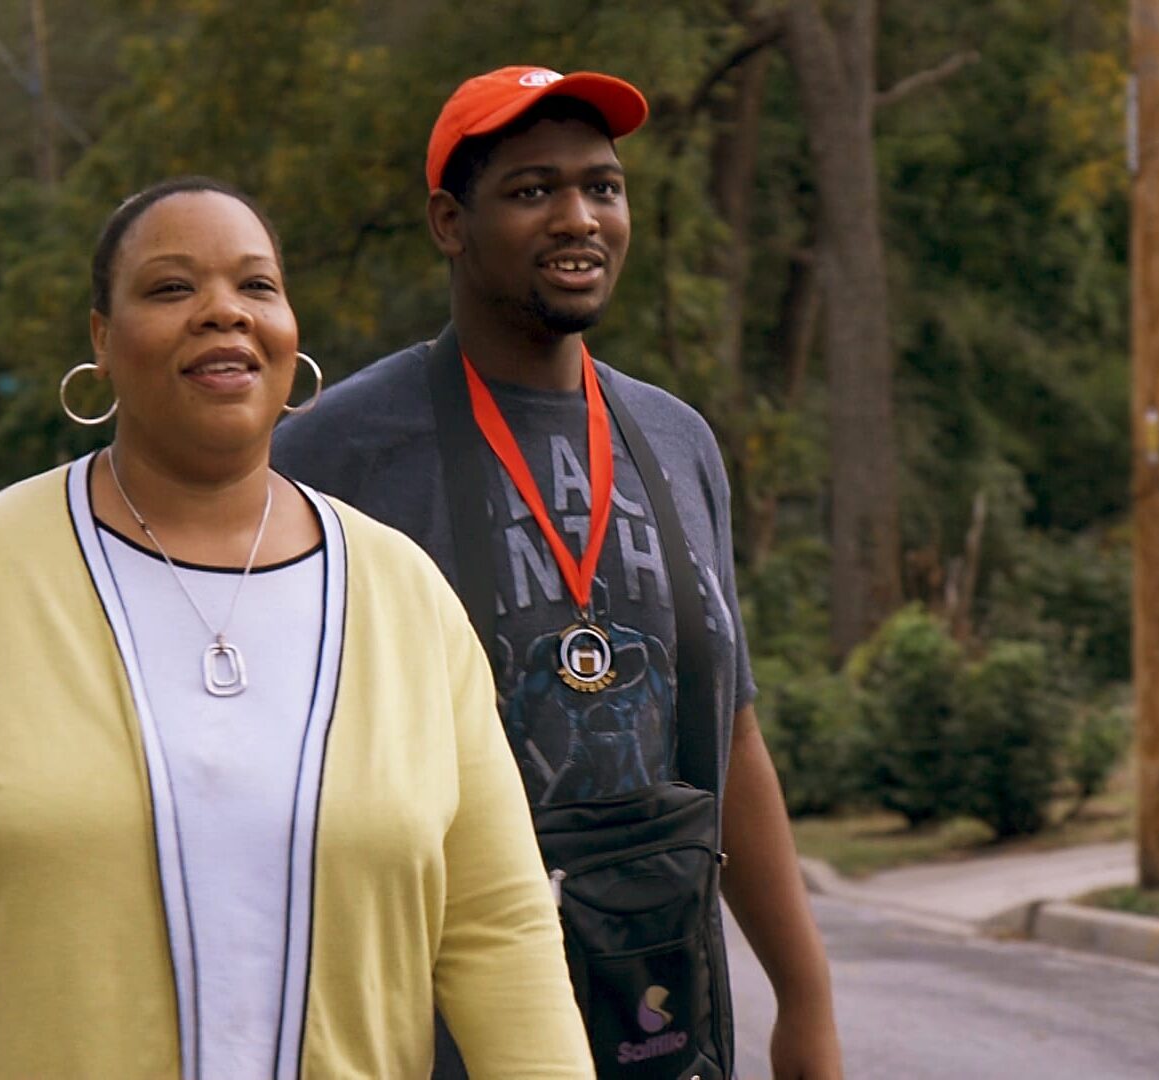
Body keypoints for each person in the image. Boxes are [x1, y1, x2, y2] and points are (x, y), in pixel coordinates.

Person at [0, 176, 593, 1078]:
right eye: (171, 287)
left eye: (257, 285)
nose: (223, 311)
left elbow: (499, 929)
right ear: (102, 341)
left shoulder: (403, 596)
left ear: (289, 333)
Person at [273, 67, 843, 1078]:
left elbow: (731, 732)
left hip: (664, 1011)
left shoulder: (676, 441)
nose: (578, 218)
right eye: (533, 190)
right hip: (437, 1031)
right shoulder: (335, 454)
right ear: (451, 223)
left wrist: (804, 1000)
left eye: (601, 187)